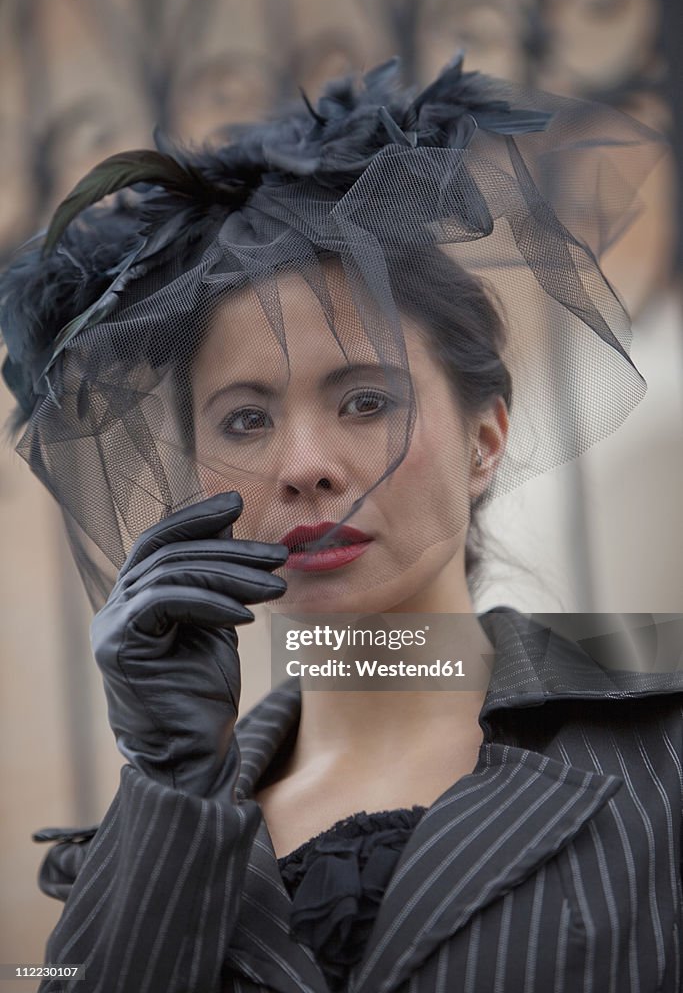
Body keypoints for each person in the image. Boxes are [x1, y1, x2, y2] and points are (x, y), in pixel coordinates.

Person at [1, 54, 681, 992]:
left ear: (486, 440)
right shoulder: (143, 831)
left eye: (365, 401)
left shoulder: (661, 744)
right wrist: (168, 782)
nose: (303, 465)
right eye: (244, 418)